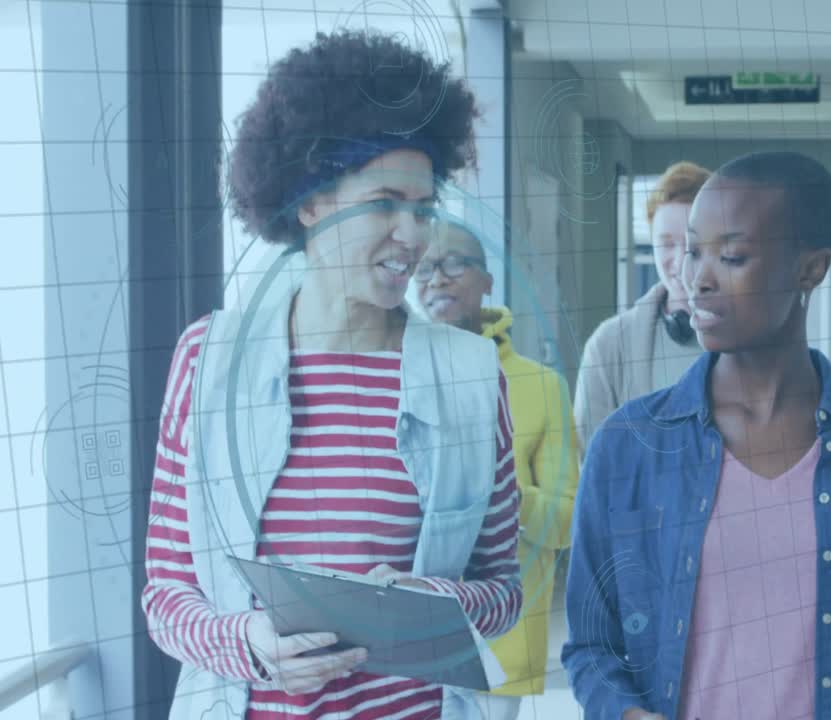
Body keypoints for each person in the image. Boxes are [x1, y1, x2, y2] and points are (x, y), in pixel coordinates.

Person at [140, 30, 521, 720]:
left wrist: (442, 604)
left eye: (423, 208)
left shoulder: (469, 375)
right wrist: (249, 642)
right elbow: (167, 597)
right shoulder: (208, 359)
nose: (412, 235)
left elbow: (502, 589)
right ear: (310, 202)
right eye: (383, 203)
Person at [562, 152, 831, 720]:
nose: (698, 279)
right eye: (693, 251)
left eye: (732, 256)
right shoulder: (627, 447)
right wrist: (625, 712)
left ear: (810, 269)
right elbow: (590, 645)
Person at [415, 220, 581, 720]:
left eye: (455, 264)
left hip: (498, 649)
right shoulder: (394, 374)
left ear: (488, 281)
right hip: (402, 640)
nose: (437, 278)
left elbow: (568, 521)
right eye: (424, 268)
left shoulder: (542, 386)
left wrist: (502, 485)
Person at [573, 161, 711, 450]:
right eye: (665, 244)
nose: (679, 261)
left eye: (691, 244)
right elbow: (591, 460)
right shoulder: (609, 344)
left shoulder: (753, 339)